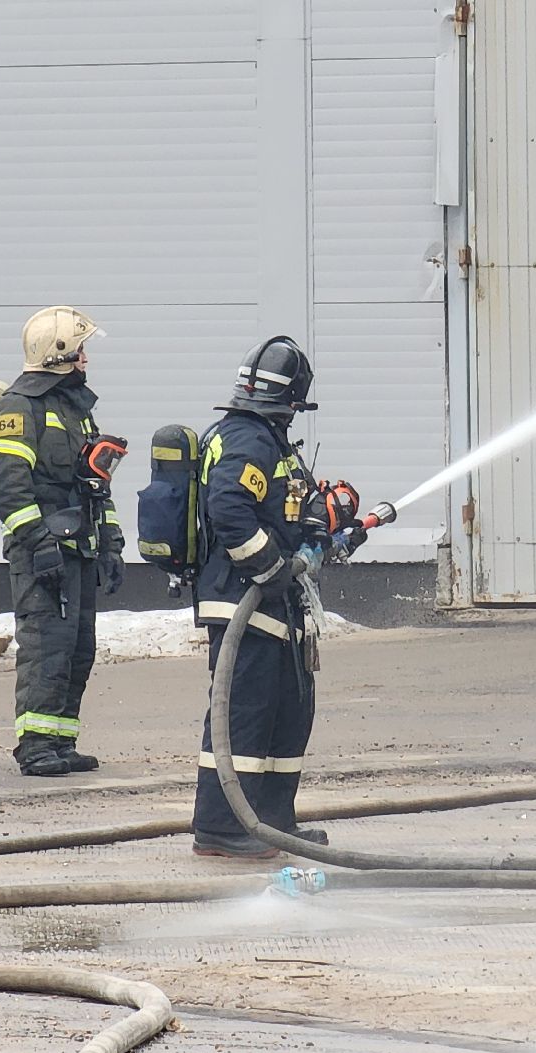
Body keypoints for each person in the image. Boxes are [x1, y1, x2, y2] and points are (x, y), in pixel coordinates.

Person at [190, 335, 362, 858]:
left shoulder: (266, 438)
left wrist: (322, 521)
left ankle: (272, 823)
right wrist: (270, 566)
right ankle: (222, 828)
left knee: (286, 715)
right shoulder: (248, 440)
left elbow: (280, 506)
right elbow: (229, 508)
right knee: (243, 717)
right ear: (291, 399)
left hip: (276, 606)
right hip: (246, 599)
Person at [0, 306, 127, 776]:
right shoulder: (18, 408)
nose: (86, 357)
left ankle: (62, 739)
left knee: (76, 649)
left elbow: (94, 484)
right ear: (59, 353)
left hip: (79, 549)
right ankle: (36, 746)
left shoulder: (75, 408)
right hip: (42, 554)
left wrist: (111, 543)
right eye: (80, 348)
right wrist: (38, 540)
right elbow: (7, 488)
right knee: (46, 646)